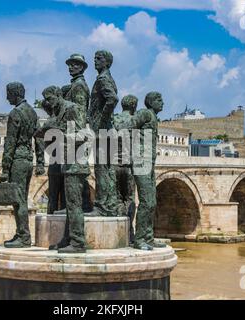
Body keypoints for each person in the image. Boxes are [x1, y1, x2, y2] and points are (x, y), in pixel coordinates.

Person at [35, 86, 89, 253]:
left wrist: (61, 136)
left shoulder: (72, 109)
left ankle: (78, 242)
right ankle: (67, 239)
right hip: (67, 163)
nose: (48, 103)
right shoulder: (59, 112)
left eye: (50, 98)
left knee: (74, 204)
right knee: (68, 205)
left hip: (76, 164)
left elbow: (83, 135)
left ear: (58, 95)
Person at [0, 82, 45, 248]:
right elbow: (39, 139)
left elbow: (10, 143)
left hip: (17, 160)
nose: (7, 97)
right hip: (28, 160)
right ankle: (21, 233)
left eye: (8, 94)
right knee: (22, 198)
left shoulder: (15, 113)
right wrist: (40, 162)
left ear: (15, 93)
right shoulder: (32, 113)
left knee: (18, 200)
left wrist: (5, 169)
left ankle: (24, 237)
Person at [128, 92, 167, 250]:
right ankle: (139, 240)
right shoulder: (144, 113)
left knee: (152, 202)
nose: (162, 102)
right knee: (146, 201)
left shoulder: (153, 117)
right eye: (159, 100)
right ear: (151, 102)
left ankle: (148, 237)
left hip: (149, 163)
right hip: (141, 162)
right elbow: (128, 127)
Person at [88, 50, 120, 216]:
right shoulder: (107, 77)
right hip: (107, 130)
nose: (95, 61)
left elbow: (112, 99)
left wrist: (102, 120)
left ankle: (102, 207)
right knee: (107, 169)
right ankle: (109, 205)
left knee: (101, 168)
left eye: (98, 58)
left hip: (103, 130)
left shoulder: (102, 79)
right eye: (94, 58)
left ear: (107, 62)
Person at [62, 53, 93, 213]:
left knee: (75, 174)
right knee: (80, 176)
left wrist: (75, 137)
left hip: (76, 136)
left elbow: (80, 113)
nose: (70, 67)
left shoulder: (79, 85)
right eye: (69, 64)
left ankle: (76, 208)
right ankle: (83, 206)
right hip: (74, 134)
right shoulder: (75, 84)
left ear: (81, 67)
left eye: (74, 64)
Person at [113, 95, 138, 244]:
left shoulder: (114, 120)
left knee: (116, 199)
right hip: (129, 166)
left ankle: (117, 233)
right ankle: (129, 232)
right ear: (134, 106)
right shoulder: (135, 121)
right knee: (129, 199)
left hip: (115, 165)